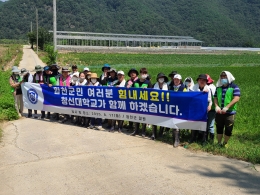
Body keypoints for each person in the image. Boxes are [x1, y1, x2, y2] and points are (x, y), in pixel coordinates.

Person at [214, 71, 240, 147]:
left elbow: (236, 98)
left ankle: (225, 143)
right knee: (219, 128)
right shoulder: (218, 88)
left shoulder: (234, 87)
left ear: (228, 77)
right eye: (221, 76)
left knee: (228, 129)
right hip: (219, 112)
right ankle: (219, 143)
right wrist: (216, 106)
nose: (223, 78)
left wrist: (227, 107)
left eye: (224, 76)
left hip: (230, 112)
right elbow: (215, 97)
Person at [190, 74, 212, 144]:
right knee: (193, 123)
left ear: (206, 81)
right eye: (200, 80)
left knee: (204, 124)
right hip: (195, 108)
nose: (202, 81)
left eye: (203, 80)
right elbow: (190, 97)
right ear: (198, 81)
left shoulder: (208, 88)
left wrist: (210, 106)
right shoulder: (193, 87)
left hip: (203, 109)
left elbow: (210, 100)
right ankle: (193, 138)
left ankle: (204, 140)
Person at [130, 68, 153, 137]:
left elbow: (152, 92)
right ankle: (136, 130)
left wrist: (147, 90)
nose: (143, 74)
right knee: (136, 116)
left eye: (145, 73)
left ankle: (143, 131)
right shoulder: (135, 82)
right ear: (140, 74)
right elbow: (129, 89)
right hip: (136, 102)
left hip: (144, 102)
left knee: (144, 117)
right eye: (142, 73)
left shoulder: (148, 82)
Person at [168, 74, 187, 147]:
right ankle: (175, 138)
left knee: (177, 124)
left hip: (180, 108)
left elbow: (186, 98)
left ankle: (177, 140)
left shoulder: (183, 88)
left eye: (177, 80)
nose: (176, 81)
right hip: (171, 108)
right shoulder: (170, 87)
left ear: (180, 81)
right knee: (173, 123)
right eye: (175, 79)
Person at [151, 73, 168, 140]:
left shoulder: (167, 86)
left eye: (162, 77)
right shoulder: (154, 85)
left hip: (164, 104)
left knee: (162, 118)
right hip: (155, 104)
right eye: (160, 77)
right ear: (158, 78)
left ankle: (160, 133)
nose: (161, 79)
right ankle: (153, 133)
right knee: (154, 118)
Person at [206, 74, 216, 142]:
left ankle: (208, 140)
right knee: (210, 125)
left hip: (210, 108)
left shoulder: (208, 88)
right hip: (213, 108)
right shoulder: (214, 87)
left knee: (209, 125)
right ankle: (210, 140)